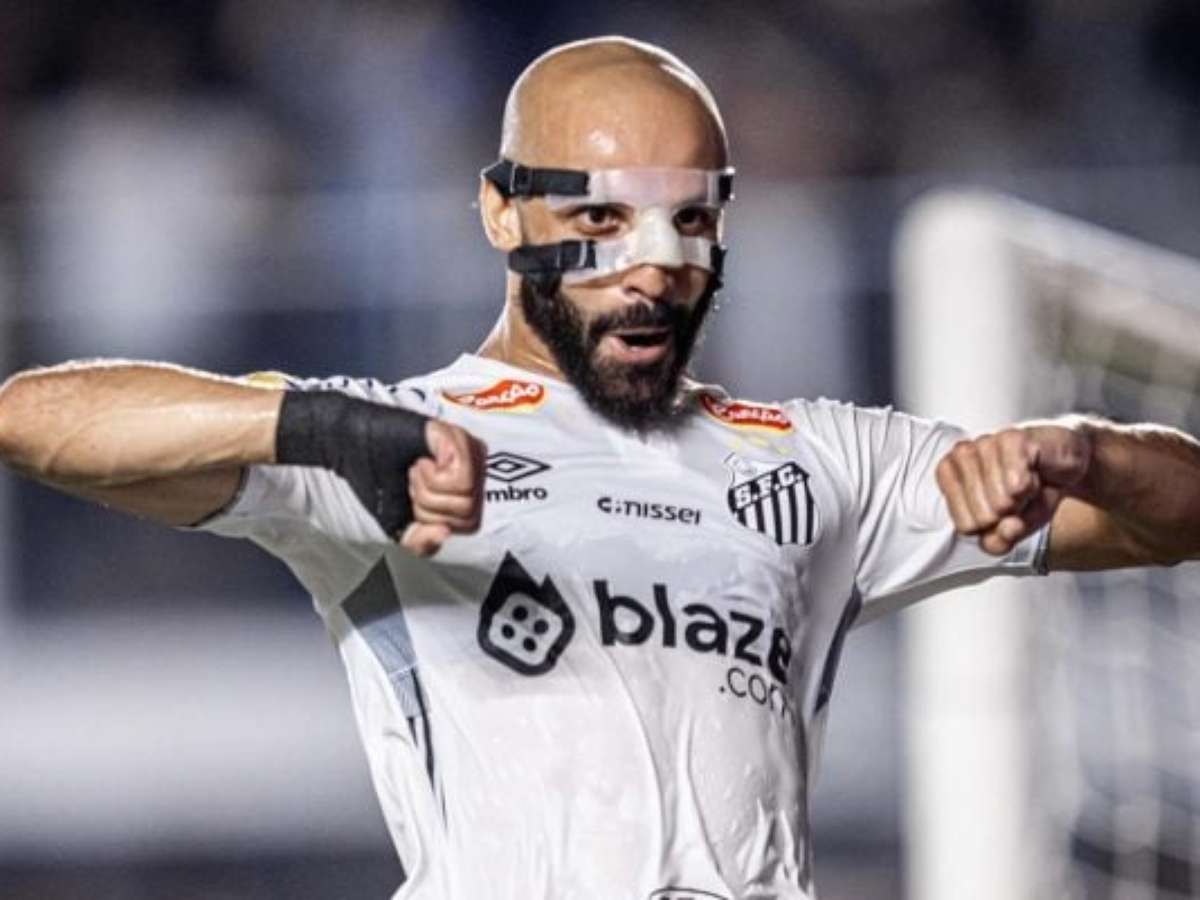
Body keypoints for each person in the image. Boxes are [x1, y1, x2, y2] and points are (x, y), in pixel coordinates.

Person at [1, 36, 1197, 900]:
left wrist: (1083, 450)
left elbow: (1176, 518)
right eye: (601, 220)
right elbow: (35, 420)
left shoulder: (829, 462)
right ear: (502, 214)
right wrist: (322, 429)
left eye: (693, 219)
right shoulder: (397, 440)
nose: (655, 263)